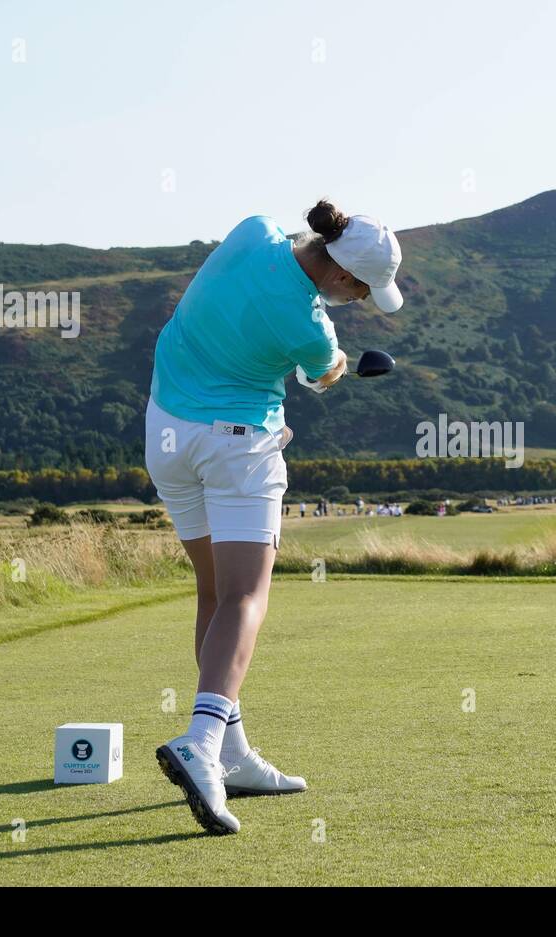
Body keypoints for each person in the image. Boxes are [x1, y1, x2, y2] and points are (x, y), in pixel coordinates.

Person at [145, 199, 403, 835]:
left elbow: (255, 296)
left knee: (213, 592)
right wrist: (335, 363)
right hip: (238, 447)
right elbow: (324, 371)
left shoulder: (252, 230)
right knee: (245, 596)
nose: (358, 303)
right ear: (343, 277)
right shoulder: (312, 327)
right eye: (362, 294)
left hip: (167, 436)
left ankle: (231, 753)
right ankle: (202, 743)